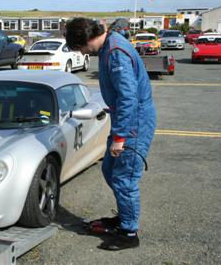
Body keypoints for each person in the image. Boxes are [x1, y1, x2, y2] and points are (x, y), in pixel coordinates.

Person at [65, 18, 156, 251]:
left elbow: (128, 97)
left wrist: (120, 138)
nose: (84, 53)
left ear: (86, 40)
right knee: (109, 170)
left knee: (124, 178)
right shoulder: (109, 43)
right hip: (124, 119)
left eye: (82, 48)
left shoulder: (115, 52)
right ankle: (124, 216)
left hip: (133, 122)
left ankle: (129, 233)